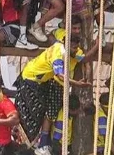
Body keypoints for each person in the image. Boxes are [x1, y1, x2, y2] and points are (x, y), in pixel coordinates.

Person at [16, 22, 83, 155]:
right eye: (73, 47)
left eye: (76, 47)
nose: (75, 50)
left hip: (40, 80)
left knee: (46, 111)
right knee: (36, 112)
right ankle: (39, 144)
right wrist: (76, 83)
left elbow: (83, 58)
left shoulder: (61, 46)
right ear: (65, 42)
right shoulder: (58, 55)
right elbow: (59, 74)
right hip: (31, 79)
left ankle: (41, 143)